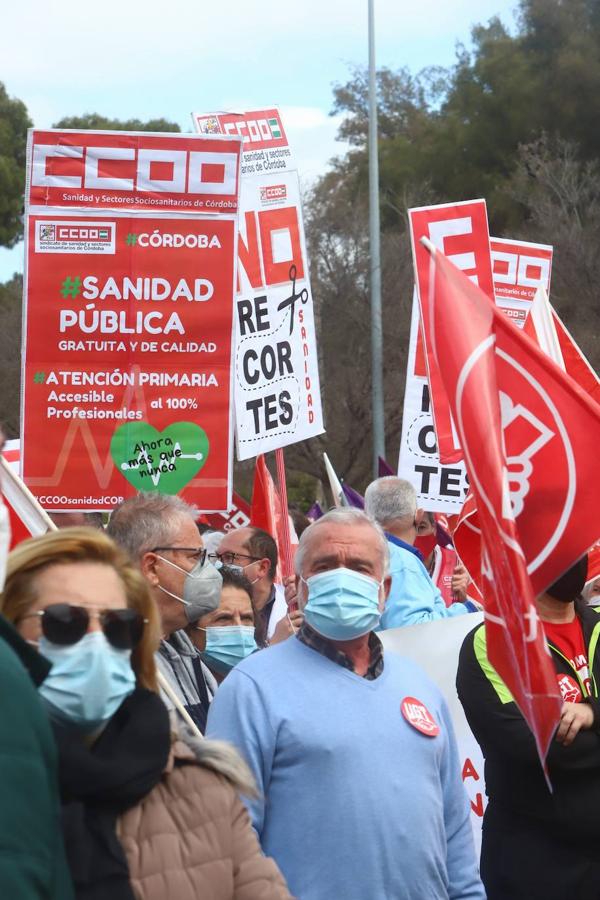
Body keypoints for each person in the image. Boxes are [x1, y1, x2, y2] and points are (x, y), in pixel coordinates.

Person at [207, 508, 484, 900]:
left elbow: (454, 830)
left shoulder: (419, 686)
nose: (342, 577)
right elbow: (228, 842)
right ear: (300, 587)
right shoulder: (250, 689)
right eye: (325, 565)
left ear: (384, 588)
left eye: (359, 566)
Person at [1, 527, 291, 900]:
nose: (96, 640)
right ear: (10, 630)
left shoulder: (200, 790)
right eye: (65, 621)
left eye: (117, 625)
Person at [457, 555, 600, 899]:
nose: (572, 556)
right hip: (536, 864)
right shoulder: (492, 642)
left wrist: (592, 713)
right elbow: (537, 747)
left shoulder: (596, 625)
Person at [107, 492, 222, 733]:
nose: (209, 570)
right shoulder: (114, 661)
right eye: (195, 557)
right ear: (151, 567)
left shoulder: (184, 648)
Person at [364, 476, 475, 627]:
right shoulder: (401, 562)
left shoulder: (366, 551)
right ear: (418, 515)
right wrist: (467, 610)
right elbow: (413, 629)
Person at [215, 526, 302, 646]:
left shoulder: (295, 606)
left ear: (262, 567)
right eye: (218, 557)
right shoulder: (208, 606)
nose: (220, 565)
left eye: (229, 557)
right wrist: (274, 646)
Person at [186, 566, 257, 683]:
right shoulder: (176, 691)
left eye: (246, 618)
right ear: (190, 631)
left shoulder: (262, 687)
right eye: (224, 618)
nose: (239, 628)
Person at [415, 511, 471, 606]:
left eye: (421, 527)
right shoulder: (392, 562)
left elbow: (481, 613)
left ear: (434, 528)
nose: (416, 535)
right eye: (411, 528)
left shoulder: (458, 562)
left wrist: (464, 599)